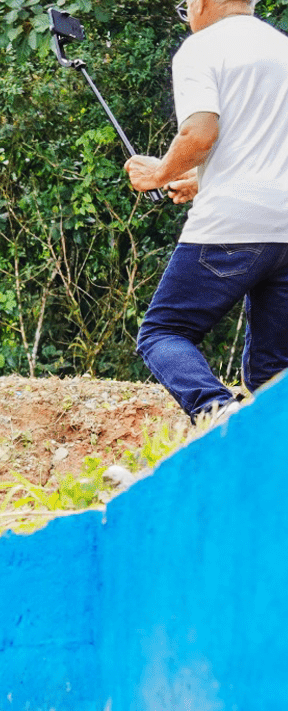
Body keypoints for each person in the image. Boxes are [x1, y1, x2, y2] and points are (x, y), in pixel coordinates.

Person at [125, 0, 288, 421]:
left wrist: (159, 172)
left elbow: (199, 135)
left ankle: (217, 414)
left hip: (231, 225)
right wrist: (200, 180)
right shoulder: (281, 48)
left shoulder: (202, 48)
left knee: (164, 331)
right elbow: (264, 146)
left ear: (201, 2)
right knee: (273, 371)